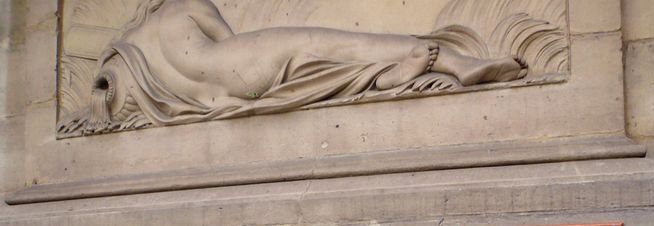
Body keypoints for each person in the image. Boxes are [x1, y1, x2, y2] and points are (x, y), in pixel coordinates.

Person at [61, 0, 528, 134]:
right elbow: (230, 42)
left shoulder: (125, 51)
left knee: (326, 56)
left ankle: (385, 77)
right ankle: (454, 61)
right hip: (242, 63)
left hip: (219, 96)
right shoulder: (187, 7)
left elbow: (111, 98)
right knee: (341, 43)